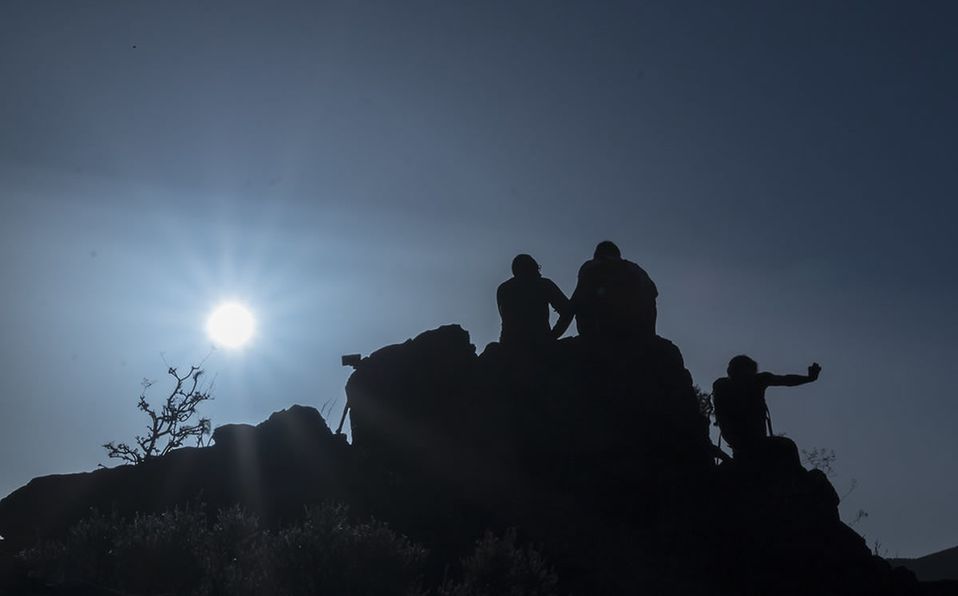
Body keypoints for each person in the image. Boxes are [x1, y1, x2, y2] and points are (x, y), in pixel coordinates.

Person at [712, 355, 822, 469]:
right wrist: (736, 443)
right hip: (742, 445)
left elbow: (785, 380)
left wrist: (809, 378)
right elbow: (722, 419)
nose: (747, 376)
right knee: (787, 447)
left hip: (754, 442)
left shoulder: (758, 380)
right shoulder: (722, 386)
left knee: (786, 448)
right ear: (734, 371)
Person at [570, 241, 658, 341]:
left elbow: (577, 297)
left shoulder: (590, 266)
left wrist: (557, 332)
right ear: (618, 255)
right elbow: (653, 292)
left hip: (598, 329)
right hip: (634, 328)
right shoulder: (634, 268)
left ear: (597, 255)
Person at [497, 254, 573, 347]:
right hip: (539, 346)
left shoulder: (503, 289)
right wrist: (553, 335)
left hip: (509, 346)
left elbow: (506, 319)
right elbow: (568, 310)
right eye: (537, 268)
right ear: (532, 268)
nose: (539, 273)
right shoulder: (543, 284)